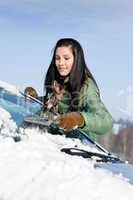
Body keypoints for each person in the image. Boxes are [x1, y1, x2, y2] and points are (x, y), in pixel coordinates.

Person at [25, 38, 113, 140]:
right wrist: (35, 99)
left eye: (66, 58)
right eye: (57, 58)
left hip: (76, 147)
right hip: (51, 141)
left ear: (76, 60)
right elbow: (55, 105)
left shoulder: (86, 87)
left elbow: (106, 121)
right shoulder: (56, 82)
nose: (61, 63)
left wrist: (79, 119)